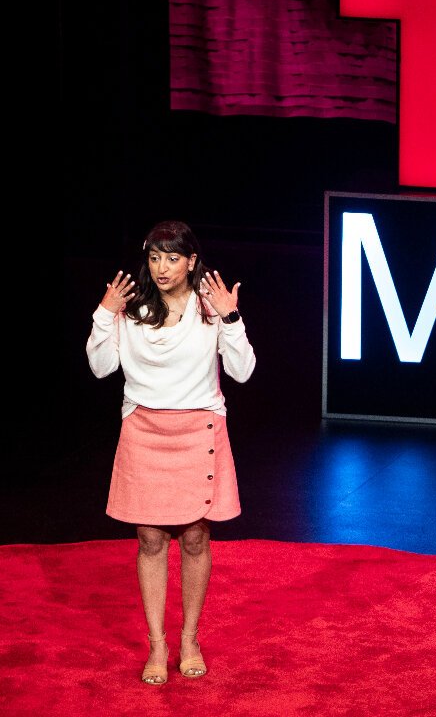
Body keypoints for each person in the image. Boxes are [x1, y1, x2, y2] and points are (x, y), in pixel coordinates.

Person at [85, 220, 256, 685]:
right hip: (144, 429)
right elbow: (101, 367)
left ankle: (190, 639)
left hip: (197, 427)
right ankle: (157, 645)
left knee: (197, 537)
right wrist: (104, 313)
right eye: (155, 257)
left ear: (192, 262)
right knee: (150, 539)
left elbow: (241, 372)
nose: (162, 268)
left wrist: (231, 318)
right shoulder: (131, 308)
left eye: (173, 258)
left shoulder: (208, 308)